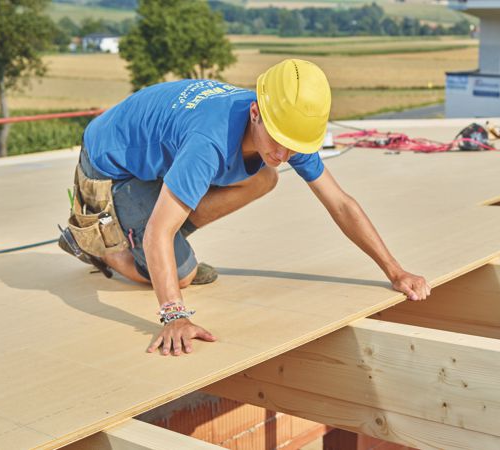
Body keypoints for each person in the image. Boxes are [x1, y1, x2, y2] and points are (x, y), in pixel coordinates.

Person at [61, 59, 431, 356]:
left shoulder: (285, 125)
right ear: (255, 112)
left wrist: (395, 271)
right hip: (113, 164)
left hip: (160, 154)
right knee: (182, 275)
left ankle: (164, 233)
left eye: (294, 146)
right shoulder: (209, 142)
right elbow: (159, 230)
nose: (285, 154)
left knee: (265, 176)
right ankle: (100, 246)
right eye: (280, 142)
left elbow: (340, 203)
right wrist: (174, 315)